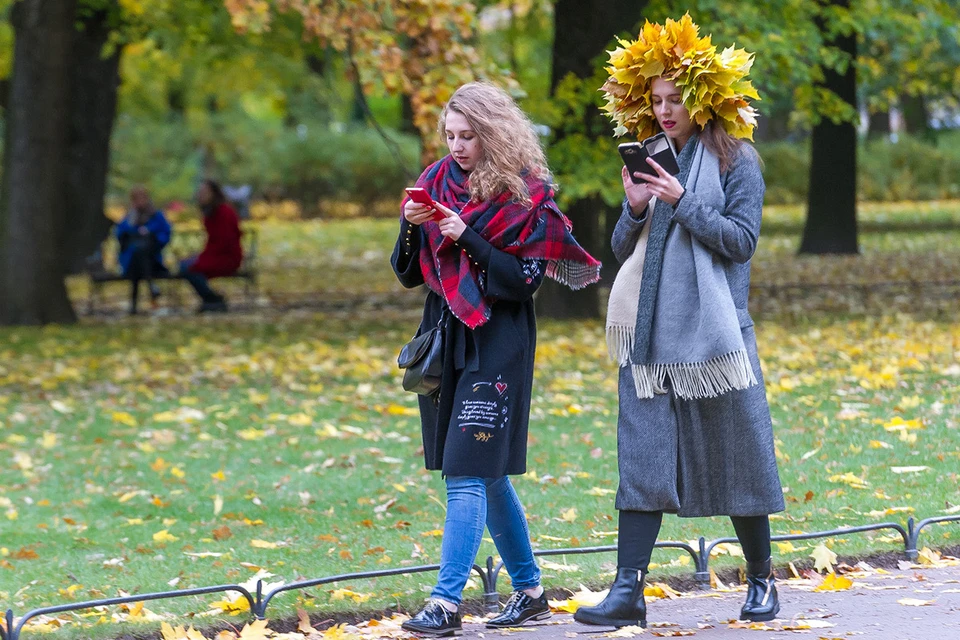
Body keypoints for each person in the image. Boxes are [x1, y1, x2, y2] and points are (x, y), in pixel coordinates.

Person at [574, 15, 785, 629]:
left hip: (717, 337)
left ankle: (763, 582)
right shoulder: (653, 158)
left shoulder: (738, 161)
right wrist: (636, 208)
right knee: (642, 456)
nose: (664, 111)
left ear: (702, 100)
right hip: (647, 336)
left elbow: (740, 242)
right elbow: (621, 248)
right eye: (656, 100)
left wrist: (678, 200)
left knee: (740, 452)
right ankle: (627, 592)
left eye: (676, 100)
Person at [391, 82, 601, 637]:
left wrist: (469, 238)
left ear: (494, 133)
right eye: (451, 135)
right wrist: (414, 227)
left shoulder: (527, 196)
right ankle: (530, 592)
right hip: (448, 339)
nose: (457, 147)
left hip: (499, 343)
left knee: (465, 472)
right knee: (487, 476)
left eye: (468, 136)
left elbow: (521, 284)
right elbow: (409, 273)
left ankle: (444, 603)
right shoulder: (436, 183)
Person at [180, 179, 243, 313]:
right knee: (185, 264)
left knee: (188, 268)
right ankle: (212, 299)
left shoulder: (224, 212)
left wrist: (202, 258)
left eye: (204, 192)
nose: (200, 195)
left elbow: (226, 241)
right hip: (216, 255)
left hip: (227, 258)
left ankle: (213, 300)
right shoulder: (211, 212)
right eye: (200, 192)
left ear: (213, 193)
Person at [116, 186, 172, 315]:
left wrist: (150, 233)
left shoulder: (156, 216)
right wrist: (133, 229)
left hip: (153, 261)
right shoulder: (130, 217)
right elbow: (120, 235)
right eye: (136, 198)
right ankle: (151, 285)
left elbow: (164, 235)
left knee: (141, 252)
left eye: (142, 198)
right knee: (137, 253)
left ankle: (134, 305)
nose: (140, 201)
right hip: (131, 263)